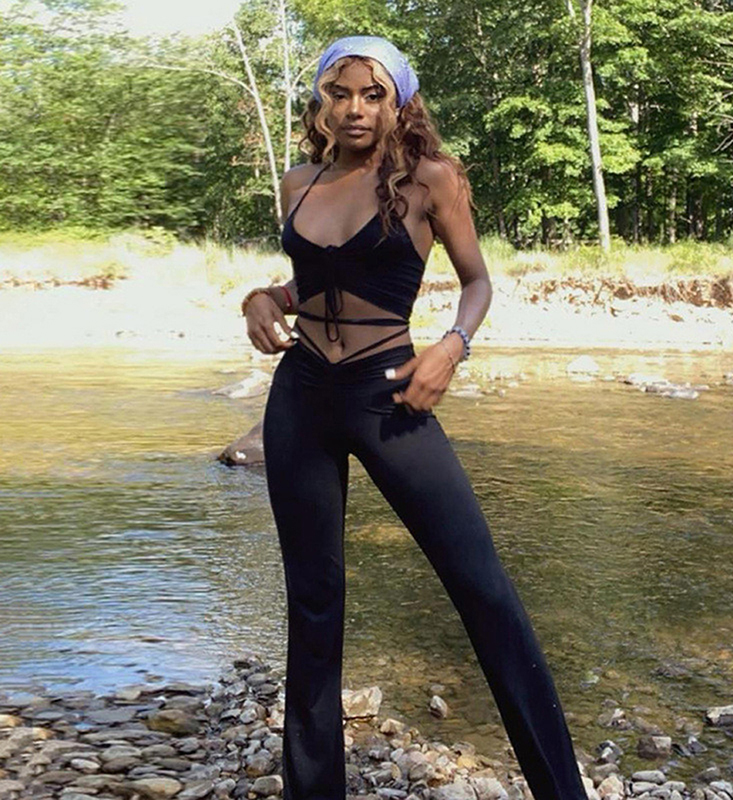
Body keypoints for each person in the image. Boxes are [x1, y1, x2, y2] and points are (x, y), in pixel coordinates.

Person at [241, 35, 589, 800]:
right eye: (339, 93)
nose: (355, 108)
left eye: (373, 95)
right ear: (320, 103)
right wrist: (262, 298)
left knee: (481, 587)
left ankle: (561, 790)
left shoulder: (432, 179)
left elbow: (477, 282)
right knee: (313, 603)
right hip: (301, 397)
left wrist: (451, 347)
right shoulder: (299, 181)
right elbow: (317, 281)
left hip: (391, 394)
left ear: (400, 104)